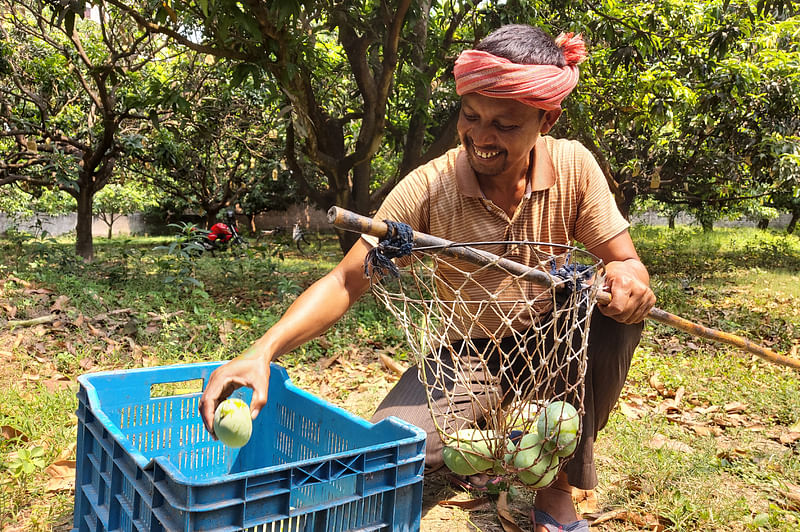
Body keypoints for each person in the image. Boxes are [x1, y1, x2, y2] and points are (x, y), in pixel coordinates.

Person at [199, 24, 655, 532]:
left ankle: (556, 486)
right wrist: (262, 351)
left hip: (556, 342)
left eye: (505, 125)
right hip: (468, 352)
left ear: (546, 118)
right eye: (471, 116)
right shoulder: (429, 186)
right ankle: (483, 426)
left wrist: (627, 277)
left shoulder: (575, 166)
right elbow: (346, 282)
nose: (481, 137)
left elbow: (626, 262)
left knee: (615, 315)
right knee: (387, 456)